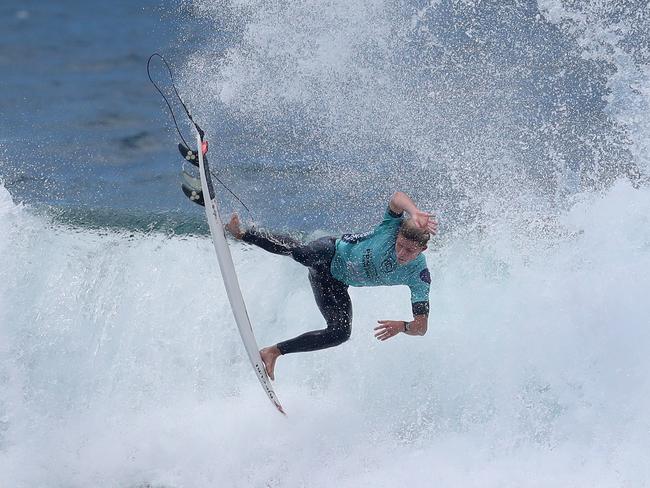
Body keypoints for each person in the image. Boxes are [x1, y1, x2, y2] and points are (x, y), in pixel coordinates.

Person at [225, 191, 437, 380]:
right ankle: (242, 233)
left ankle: (273, 352)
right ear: (397, 235)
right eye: (400, 245)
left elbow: (421, 327)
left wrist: (402, 327)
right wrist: (414, 211)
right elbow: (397, 198)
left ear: (423, 249)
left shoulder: (418, 275)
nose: (401, 253)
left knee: (340, 333)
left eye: (409, 251)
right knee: (303, 254)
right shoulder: (390, 228)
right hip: (331, 250)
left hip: (332, 281)